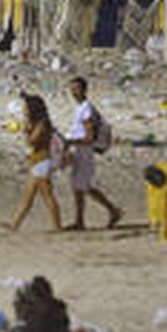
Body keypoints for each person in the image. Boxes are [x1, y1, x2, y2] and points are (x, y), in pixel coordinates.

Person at [63, 77, 122, 230]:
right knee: (80, 187)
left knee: (82, 187)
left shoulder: (86, 110)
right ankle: (82, 219)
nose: (73, 92)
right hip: (80, 152)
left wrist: (70, 141)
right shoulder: (80, 108)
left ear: (84, 90)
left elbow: (89, 137)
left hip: (85, 153)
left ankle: (111, 211)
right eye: (72, 89)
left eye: (76, 89)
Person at [2, 94, 62, 233]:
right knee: (28, 197)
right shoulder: (38, 123)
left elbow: (32, 141)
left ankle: (57, 225)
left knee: (47, 196)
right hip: (37, 162)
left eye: (26, 107)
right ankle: (15, 224)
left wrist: (26, 131)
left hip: (42, 162)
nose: (24, 110)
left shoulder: (41, 124)